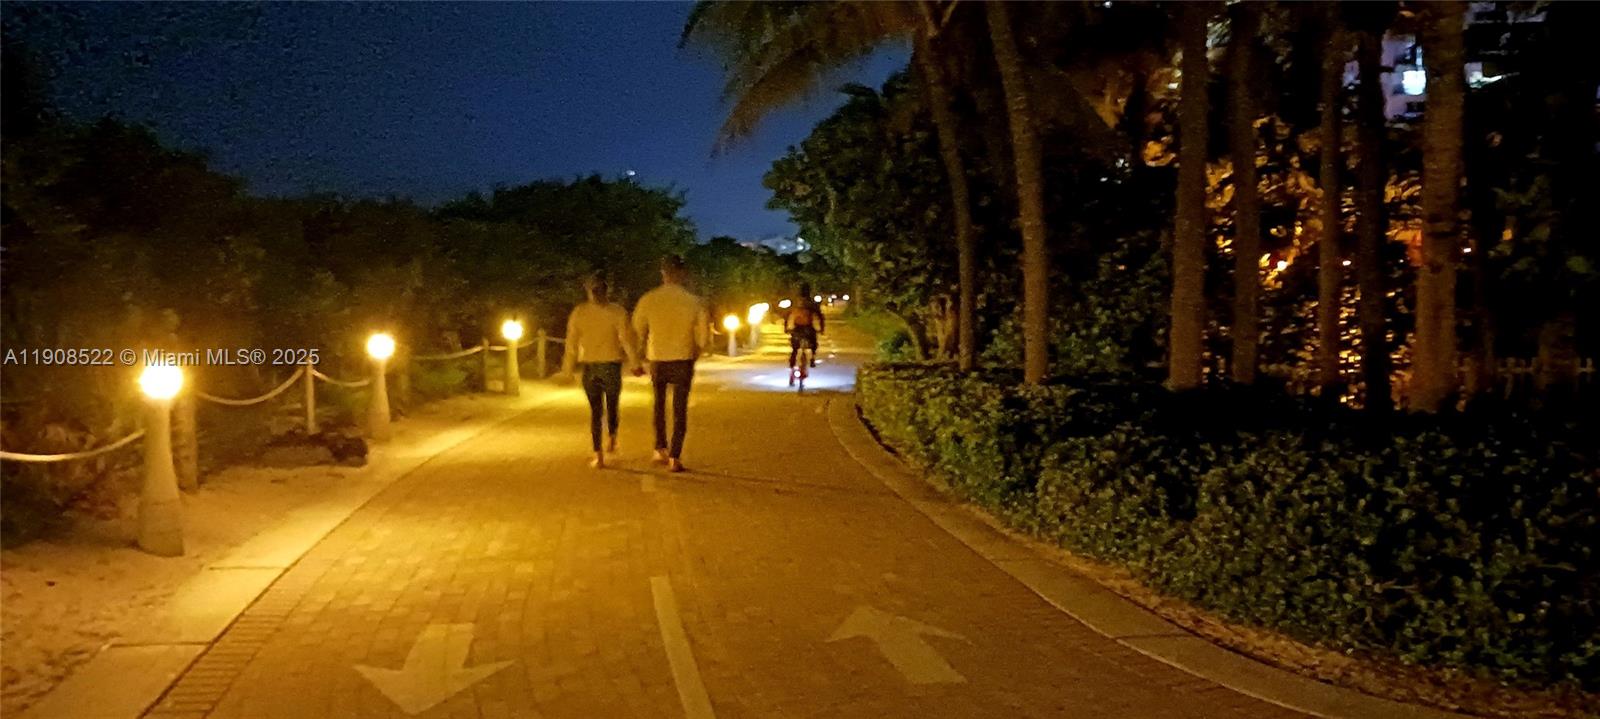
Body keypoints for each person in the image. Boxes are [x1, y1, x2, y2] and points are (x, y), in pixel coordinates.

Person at [631, 255, 709, 472]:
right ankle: (675, 456)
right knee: (680, 407)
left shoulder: (649, 299)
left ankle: (660, 448)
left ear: (663, 273)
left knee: (659, 404)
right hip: (683, 357)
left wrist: (638, 354)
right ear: (682, 273)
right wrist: (696, 351)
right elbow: (703, 338)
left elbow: (637, 329)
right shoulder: (694, 301)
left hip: (657, 357)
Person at [562, 275, 639, 469]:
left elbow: (571, 344)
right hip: (610, 365)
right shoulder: (617, 312)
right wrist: (635, 363)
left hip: (591, 367)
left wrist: (567, 369)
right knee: (611, 405)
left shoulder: (579, 312)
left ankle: (599, 455)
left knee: (596, 411)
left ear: (589, 291)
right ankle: (611, 436)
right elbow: (626, 340)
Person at [785, 282, 826, 371]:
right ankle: (812, 358)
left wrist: (786, 328)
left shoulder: (795, 303)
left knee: (795, 347)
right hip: (808, 328)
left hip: (798, 328)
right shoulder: (811, 304)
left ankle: (792, 361)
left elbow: (787, 315)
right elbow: (820, 317)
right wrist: (821, 329)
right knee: (813, 343)